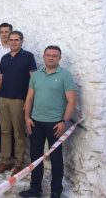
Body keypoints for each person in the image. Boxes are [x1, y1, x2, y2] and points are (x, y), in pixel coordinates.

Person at [18, 46, 76, 198]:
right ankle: (35, 189)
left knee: (56, 158)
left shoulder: (65, 76)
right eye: (48, 55)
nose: (51, 58)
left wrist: (65, 121)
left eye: (54, 56)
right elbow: (29, 98)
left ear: (59, 58)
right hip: (35, 122)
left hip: (55, 124)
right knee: (35, 157)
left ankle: (56, 191)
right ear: (43, 57)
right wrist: (27, 118)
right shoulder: (36, 75)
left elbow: (71, 101)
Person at [0, 31, 37, 175]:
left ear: (22, 41)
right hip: (3, 99)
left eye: (16, 40)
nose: (13, 42)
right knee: (5, 131)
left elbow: (33, 80)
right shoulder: (4, 58)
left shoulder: (28, 57)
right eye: (11, 40)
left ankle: (19, 163)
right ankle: (6, 160)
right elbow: (0, 78)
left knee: (18, 132)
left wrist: (29, 101)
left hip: (19, 100)